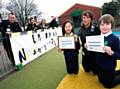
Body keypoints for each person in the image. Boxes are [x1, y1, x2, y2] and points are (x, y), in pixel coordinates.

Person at [95, 14, 120, 88]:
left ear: (111, 25)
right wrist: (88, 46)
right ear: (99, 26)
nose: (104, 26)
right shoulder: (97, 38)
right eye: (102, 24)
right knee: (101, 81)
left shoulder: (115, 39)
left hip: (109, 66)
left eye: (107, 24)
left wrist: (112, 52)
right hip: (99, 65)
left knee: (108, 85)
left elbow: (119, 55)